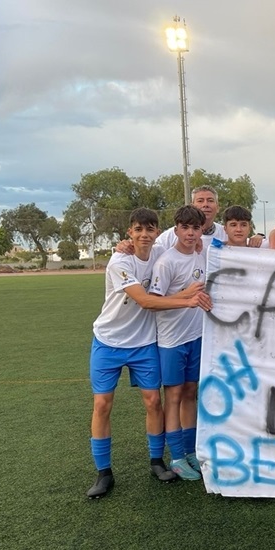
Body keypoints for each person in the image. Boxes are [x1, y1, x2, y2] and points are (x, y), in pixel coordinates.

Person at [86, 207, 211, 499]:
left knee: (155, 402)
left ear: (157, 232)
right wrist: (189, 299)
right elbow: (147, 301)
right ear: (129, 232)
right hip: (108, 341)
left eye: (150, 230)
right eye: (138, 230)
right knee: (102, 404)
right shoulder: (119, 261)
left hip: (143, 342)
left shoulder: (158, 252)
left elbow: (187, 239)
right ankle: (104, 473)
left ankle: (157, 461)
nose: (144, 235)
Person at [149, 205, 209, 481]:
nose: (190, 233)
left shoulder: (202, 254)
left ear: (201, 231)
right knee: (172, 396)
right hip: (172, 340)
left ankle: (190, 451)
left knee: (190, 393)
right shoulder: (166, 261)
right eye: (185, 228)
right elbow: (154, 303)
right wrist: (186, 296)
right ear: (176, 229)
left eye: (195, 228)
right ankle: (175, 457)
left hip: (195, 336)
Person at [156, 185, 227, 250]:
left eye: (210, 201)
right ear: (192, 206)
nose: (205, 205)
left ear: (218, 207)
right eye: (200, 201)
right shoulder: (171, 236)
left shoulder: (227, 234)